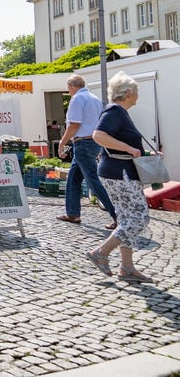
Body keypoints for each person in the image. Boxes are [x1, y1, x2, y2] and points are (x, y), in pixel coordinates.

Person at [86, 72, 155, 283]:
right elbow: (98, 135)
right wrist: (128, 148)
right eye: (136, 91)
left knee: (126, 219)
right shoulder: (115, 111)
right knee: (139, 217)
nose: (138, 95)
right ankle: (101, 252)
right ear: (128, 92)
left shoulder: (119, 112)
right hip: (120, 173)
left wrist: (145, 154)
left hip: (116, 171)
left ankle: (127, 268)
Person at [56, 74, 117, 228]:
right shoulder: (96, 100)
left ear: (70, 87)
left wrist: (62, 143)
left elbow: (74, 125)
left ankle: (118, 215)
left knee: (93, 180)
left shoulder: (77, 99)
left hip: (83, 142)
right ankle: (73, 213)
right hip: (94, 142)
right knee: (74, 178)